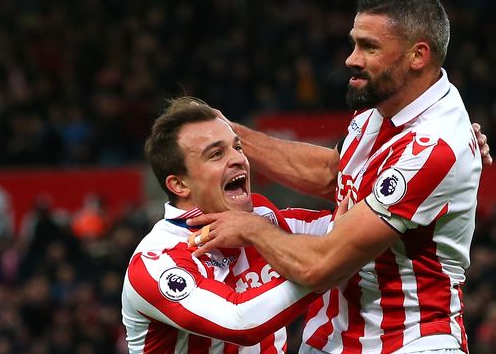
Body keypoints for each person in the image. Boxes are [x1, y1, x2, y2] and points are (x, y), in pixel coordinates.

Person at [190, 0, 486, 353]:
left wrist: (251, 228)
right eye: (354, 43)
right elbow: (335, 173)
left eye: (369, 47)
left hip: (407, 341)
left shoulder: (435, 146)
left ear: (418, 55)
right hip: (336, 337)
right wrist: (228, 133)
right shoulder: (387, 103)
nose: (351, 59)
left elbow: (323, 266)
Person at [121, 97, 337, 353]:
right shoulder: (157, 262)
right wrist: (324, 265)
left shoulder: (262, 216)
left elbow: (345, 229)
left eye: (237, 147)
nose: (238, 159)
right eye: (216, 154)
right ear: (179, 185)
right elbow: (239, 322)